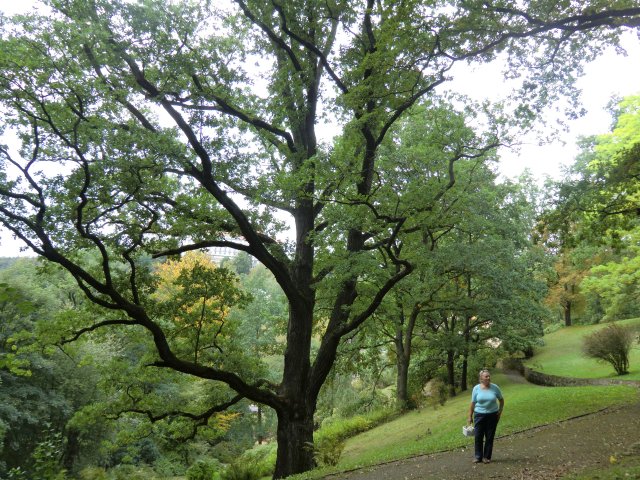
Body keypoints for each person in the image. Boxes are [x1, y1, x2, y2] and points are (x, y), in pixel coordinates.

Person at [467, 368, 504, 464]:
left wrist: (500, 411)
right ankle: (478, 456)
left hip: (492, 415)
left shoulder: (495, 387)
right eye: (486, 376)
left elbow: (501, 400)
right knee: (478, 436)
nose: (488, 378)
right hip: (479, 415)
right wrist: (470, 416)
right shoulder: (476, 388)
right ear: (481, 378)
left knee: (489, 436)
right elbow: (473, 403)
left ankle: (487, 457)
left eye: (489, 376)